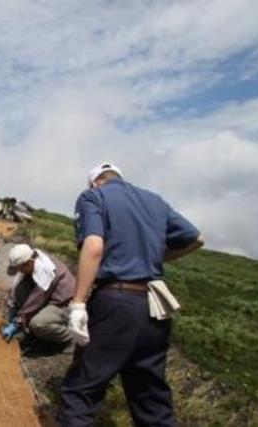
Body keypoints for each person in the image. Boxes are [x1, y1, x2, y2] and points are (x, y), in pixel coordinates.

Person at [58, 163, 204, 426]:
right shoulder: (154, 201)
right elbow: (197, 239)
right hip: (154, 306)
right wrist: (156, 257)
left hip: (116, 301)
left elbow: (93, 246)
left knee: (81, 391)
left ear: (95, 182)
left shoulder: (93, 197)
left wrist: (78, 302)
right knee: (151, 399)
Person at [1, 244, 75, 348]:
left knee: (37, 324)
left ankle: (70, 338)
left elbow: (36, 300)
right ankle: (36, 333)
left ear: (28, 263)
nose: (20, 272)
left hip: (64, 304)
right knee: (21, 291)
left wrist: (17, 322)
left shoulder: (45, 271)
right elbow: (16, 287)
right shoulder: (30, 261)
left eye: (20, 269)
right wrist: (12, 310)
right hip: (47, 299)